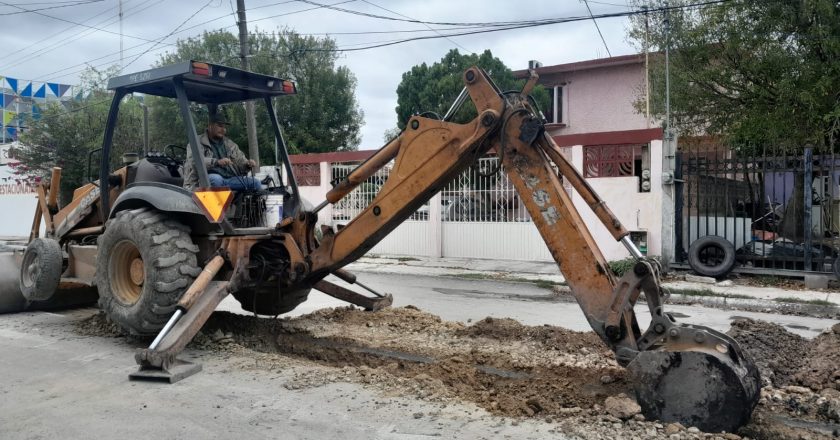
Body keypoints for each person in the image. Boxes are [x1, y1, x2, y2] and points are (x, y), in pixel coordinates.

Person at [182, 112, 262, 191]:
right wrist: (216, 162)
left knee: (256, 183)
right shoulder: (196, 142)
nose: (223, 129)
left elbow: (241, 161)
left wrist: (247, 164)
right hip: (204, 180)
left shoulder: (230, 144)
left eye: (224, 127)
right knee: (216, 180)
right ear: (210, 126)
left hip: (230, 180)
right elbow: (195, 161)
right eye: (220, 126)